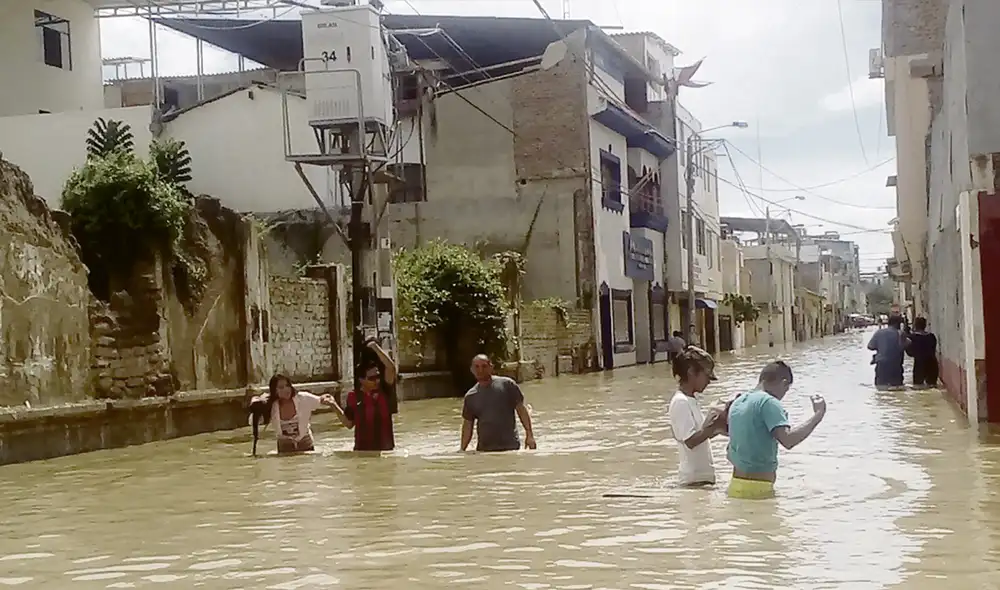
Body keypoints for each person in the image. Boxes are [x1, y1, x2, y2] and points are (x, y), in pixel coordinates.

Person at [725, 361, 826, 499]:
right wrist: (818, 415)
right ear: (784, 383)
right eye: (787, 389)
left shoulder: (738, 402)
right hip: (758, 490)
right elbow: (788, 440)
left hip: (735, 486)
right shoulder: (769, 402)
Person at [667, 346, 725, 486]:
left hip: (702, 481)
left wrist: (720, 424)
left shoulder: (691, 400)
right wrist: (712, 426)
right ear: (691, 372)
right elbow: (690, 441)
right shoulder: (680, 402)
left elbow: (702, 435)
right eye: (706, 376)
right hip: (693, 481)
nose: (709, 381)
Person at [334, 340, 400, 451]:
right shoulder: (353, 397)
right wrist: (333, 405)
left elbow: (391, 368)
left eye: (378, 376)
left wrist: (375, 347)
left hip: (385, 452)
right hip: (361, 453)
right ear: (362, 380)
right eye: (372, 378)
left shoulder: (385, 391)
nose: (377, 381)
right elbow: (349, 423)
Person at [461, 354, 536, 452]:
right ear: (472, 370)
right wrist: (462, 449)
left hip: (510, 447)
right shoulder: (470, 396)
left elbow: (521, 410)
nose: (480, 370)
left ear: (491, 367)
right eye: (477, 367)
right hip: (484, 450)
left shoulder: (507, 385)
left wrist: (529, 435)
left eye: (484, 366)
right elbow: (467, 426)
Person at [250, 374, 340, 454]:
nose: (286, 389)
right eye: (281, 387)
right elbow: (252, 422)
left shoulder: (303, 398)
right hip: (284, 446)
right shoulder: (270, 406)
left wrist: (326, 399)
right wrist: (256, 406)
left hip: (305, 443)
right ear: (274, 391)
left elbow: (320, 400)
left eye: (287, 386)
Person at [868, 314, 908, 390]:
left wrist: (881, 346)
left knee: (881, 390)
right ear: (897, 324)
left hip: (881, 365)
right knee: (897, 390)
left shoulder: (879, 332)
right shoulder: (900, 333)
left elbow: (870, 346)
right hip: (895, 365)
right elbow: (908, 344)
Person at [907, 316, 939, 389]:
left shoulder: (912, 337)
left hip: (919, 365)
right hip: (932, 364)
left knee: (918, 388)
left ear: (915, 325)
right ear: (925, 325)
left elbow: (910, 353)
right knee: (932, 387)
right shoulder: (931, 336)